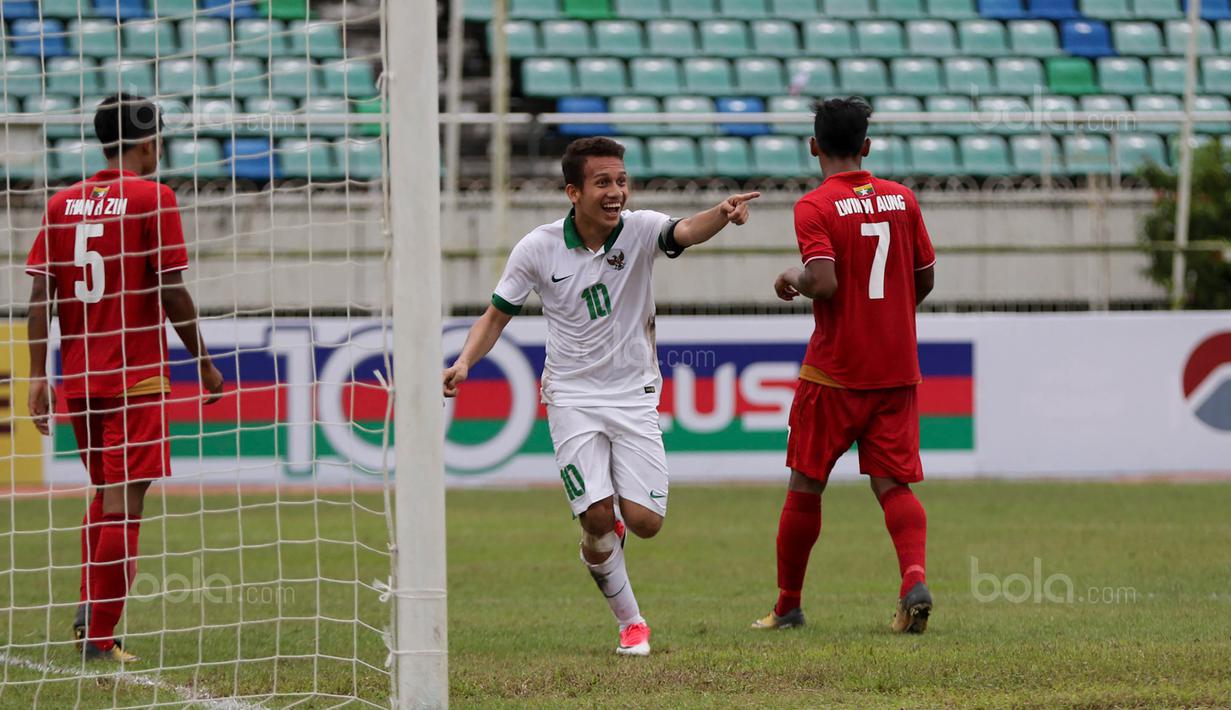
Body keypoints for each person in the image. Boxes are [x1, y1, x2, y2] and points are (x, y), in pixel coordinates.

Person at [443, 137, 759, 656]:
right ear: (574, 192)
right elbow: (495, 314)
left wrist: (722, 214)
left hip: (634, 394)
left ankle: (605, 538)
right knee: (595, 515)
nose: (616, 192)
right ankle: (631, 623)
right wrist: (463, 362)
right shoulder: (538, 247)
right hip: (570, 396)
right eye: (603, 183)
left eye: (621, 181)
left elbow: (683, 231)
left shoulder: (638, 230)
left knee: (645, 523)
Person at [25, 93, 224, 663]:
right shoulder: (152, 198)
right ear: (146, 143)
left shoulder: (62, 203)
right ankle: (100, 638)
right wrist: (203, 360)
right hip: (135, 379)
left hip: (79, 381)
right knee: (124, 505)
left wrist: (39, 375)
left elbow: (43, 296)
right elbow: (170, 288)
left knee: (105, 497)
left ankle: (92, 609)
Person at [752, 97, 937, 634]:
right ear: (867, 146)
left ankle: (788, 605)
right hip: (896, 371)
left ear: (813, 147)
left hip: (834, 374)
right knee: (894, 486)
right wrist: (889, 316)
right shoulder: (903, 200)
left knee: (805, 486)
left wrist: (791, 275)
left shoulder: (814, 206)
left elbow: (824, 281)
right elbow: (924, 278)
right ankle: (913, 579)